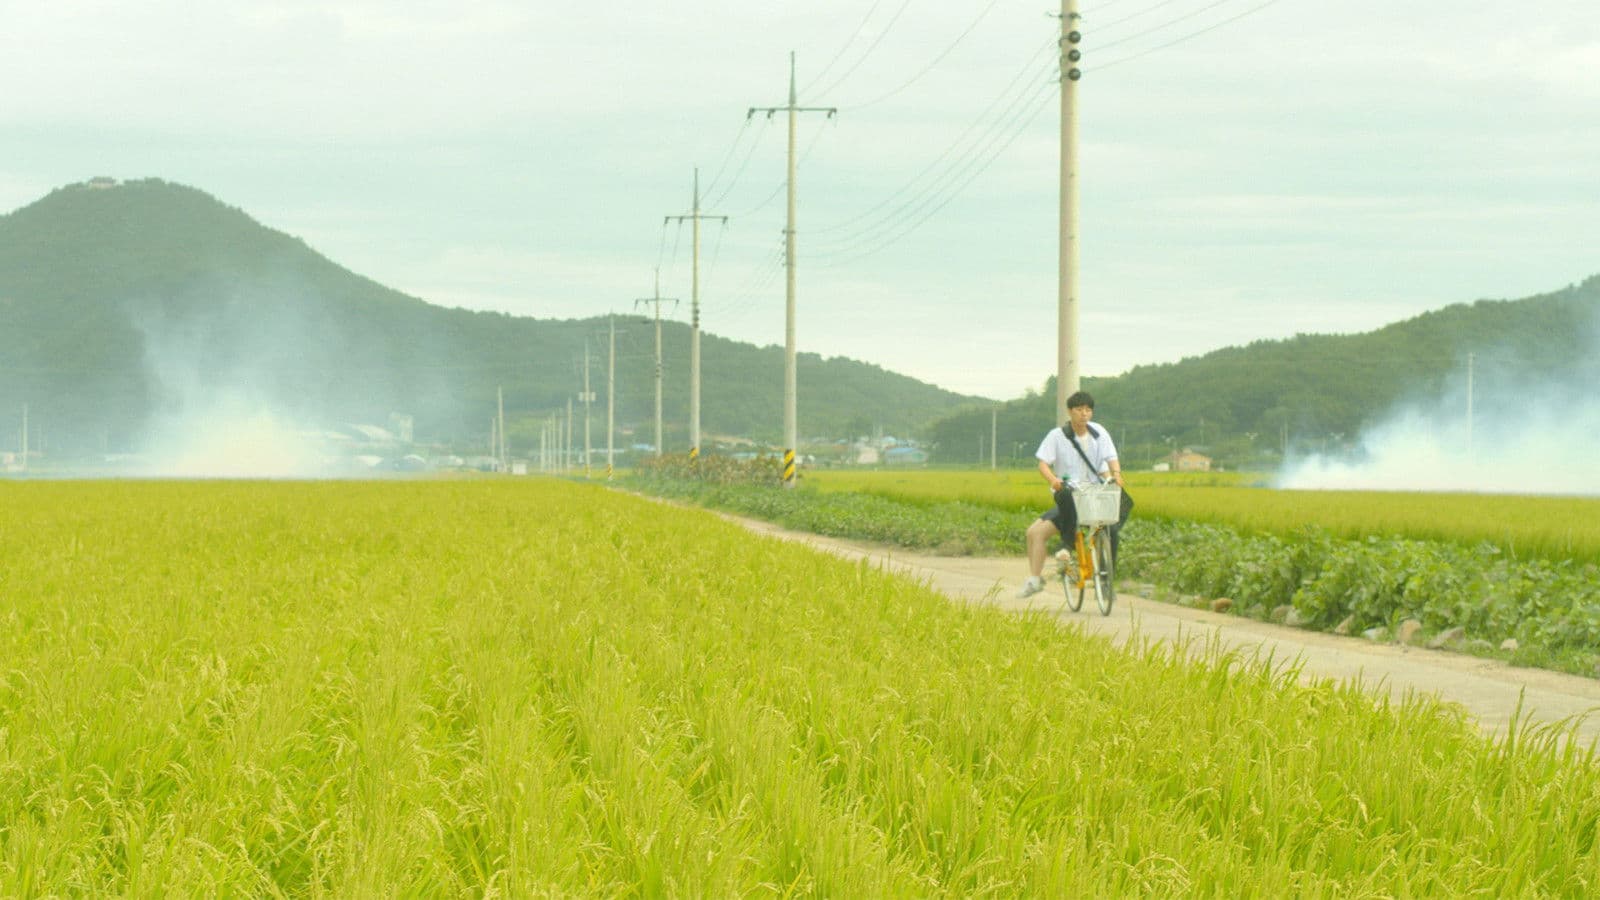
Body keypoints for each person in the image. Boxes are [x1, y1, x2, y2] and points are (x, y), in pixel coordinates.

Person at [1016, 390, 1124, 598]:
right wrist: (1053, 480)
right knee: (1035, 531)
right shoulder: (1057, 436)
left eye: (1088, 410)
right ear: (1070, 411)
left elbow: (1110, 458)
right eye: (1079, 410)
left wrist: (1116, 475)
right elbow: (1043, 464)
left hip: (1094, 495)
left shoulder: (1099, 433)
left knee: (1112, 528)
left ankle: (1105, 579)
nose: (1084, 414)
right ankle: (1036, 578)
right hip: (1069, 494)